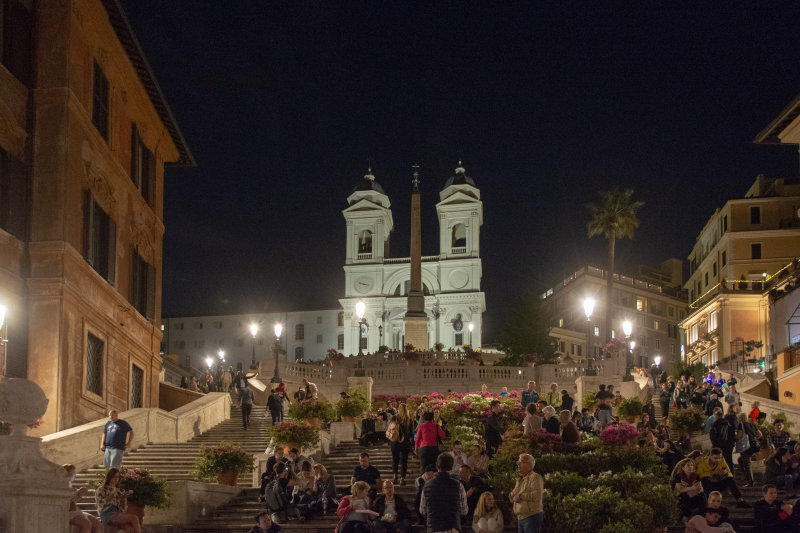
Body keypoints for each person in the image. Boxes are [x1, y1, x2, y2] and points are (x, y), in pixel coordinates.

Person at [420, 454, 467, 533]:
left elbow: (423, 510)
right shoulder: (459, 486)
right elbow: (464, 511)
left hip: (433, 527)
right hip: (452, 527)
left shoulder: (427, 485)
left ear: (437, 466)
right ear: (452, 467)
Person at [95, 468, 142, 533]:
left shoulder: (120, 490)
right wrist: (112, 494)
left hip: (118, 513)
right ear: (109, 477)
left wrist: (123, 500)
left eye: (117, 477)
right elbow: (101, 504)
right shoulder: (101, 489)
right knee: (134, 518)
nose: (116, 479)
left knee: (129, 528)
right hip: (107, 514)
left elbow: (123, 509)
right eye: (114, 477)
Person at [509, 453, 544, 533]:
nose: (518, 464)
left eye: (521, 462)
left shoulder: (535, 477)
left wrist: (520, 496)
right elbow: (512, 497)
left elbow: (537, 495)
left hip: (531, 516)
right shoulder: (520, 479)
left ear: (529, 465)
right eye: (518, 462)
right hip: (521, 517)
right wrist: (512, 495)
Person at [63, 464, 102, 533]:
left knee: (97, 523)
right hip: (67, 512)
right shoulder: (62, 485)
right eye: (73, 473)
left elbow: (73, 502)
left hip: (76, 511)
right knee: (87, 524)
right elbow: (67, 503)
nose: (75, 475)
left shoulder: (70, 485)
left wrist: (79, 495)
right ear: (66, 473)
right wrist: (78, 494)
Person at [390, 403, 415, 485]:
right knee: (404, 461)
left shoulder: (394, 418)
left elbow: (390, 429)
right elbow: (412, 433)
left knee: (395, 459)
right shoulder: (409, 419)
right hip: (405, 442)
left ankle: (395, 476)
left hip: (395, 441)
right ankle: (402, 478)